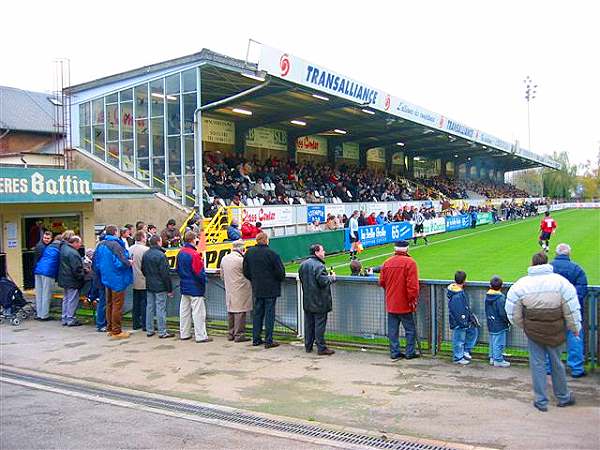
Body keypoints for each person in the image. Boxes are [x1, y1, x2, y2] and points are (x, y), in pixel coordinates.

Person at [505, 252, 581, 412]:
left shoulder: (522, 284)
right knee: (556, 363)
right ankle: (563, 396)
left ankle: (541, 400)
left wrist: (523, 326)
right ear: (546, 262)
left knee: (537, 364)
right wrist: (575, 328)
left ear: (532, 263)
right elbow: (571, 308)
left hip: (534, 331)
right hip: (555, 330)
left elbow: (512, 311)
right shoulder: (561, 282)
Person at [550, 243, 589, 378]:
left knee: (551, 339)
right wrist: (570, 303)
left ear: (556, 253)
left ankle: (550, 367)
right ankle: (576, 369)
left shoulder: (549, 268)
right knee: (575, 338)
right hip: (571, 310)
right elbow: (582, 290)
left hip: (553, 309)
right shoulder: (576, 269)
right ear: (569, 254)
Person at [243, 232, 286, 349]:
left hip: (257, 287)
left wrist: (254, 280)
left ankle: (256, 338)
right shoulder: (272, 254)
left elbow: (245, 271)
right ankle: (268, 340)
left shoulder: (249, 253)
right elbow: (281, 272)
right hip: (271, 289)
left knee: (257, 314)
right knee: (269, 314)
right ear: (266, 240)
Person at [379, 241, 420, 360]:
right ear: (407, 249)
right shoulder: (410, 263)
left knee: (393, 330)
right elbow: (413, 286)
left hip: (391, 302)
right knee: (410, 329)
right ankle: (409, 352)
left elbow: (381, 282)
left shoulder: (387, 263)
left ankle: (394, 352)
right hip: (405, 303)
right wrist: (412, 300)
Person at [94, 224, 133, 339]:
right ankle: (116, 330)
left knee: (109, 303)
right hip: (117, 278)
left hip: (106, 278)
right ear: (115, 232)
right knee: (117, 305)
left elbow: (96, 263)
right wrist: (129, 262)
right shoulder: (116, 245)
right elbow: (121, 262)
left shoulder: (100, 244)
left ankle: (110, 328)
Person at [299, 244, 336, 356]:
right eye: (322, 250)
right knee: (319, 325)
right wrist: (332, 277)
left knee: (309, 324)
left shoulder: (303, 265)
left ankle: (308, 346)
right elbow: (323, 281)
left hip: (308, 299)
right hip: (319, 301)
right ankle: (321, 347)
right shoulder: (319, 266)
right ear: (316, 252)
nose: (324, 252)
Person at [176, 231, 211, 343]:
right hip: (195, 287)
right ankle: (201, 335)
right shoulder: (194, 254)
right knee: (198, 312)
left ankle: (184, 333)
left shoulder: (180, 253)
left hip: (184, 285)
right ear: (192, 240)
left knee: (184, 311)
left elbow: (177, 269)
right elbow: (199, 272)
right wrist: (204, 280)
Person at [141, 235, 174, 338]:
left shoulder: (146, 254)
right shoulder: (161, 255)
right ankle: (162, 331)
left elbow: (143, 270)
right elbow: (165, 274)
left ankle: (149, 329)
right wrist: (169, 289)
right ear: (159, 242)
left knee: (150, 307)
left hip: (149, 284)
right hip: (160, 286)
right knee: (160, 308)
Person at [220, 240, 252, 342]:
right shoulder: (240, 260)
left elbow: (222, 275)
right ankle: (239, 334)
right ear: (242, 249)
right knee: (240, 312)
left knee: (231, 312)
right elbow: (248, 273)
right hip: (241, 289)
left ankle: (231, 333)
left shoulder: (224, 259)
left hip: (229, 288)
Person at [447, 270, 478, 365]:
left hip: (463, 320)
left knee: (473, 331)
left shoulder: (457, 292)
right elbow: (458, 311)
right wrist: (464, 322)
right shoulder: (457, 295)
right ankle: (458, 358)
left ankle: (465, 351)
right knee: (459, 340)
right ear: (464, 281)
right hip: (460, 322)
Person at [57, 236, 85, 327]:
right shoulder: (73, 253)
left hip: (64, 278)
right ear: (75, 242)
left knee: (66, 298)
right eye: (79, 243)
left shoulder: (64, 249)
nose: (80, 245)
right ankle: (70, 318)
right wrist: (82, 275)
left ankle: (64, 318)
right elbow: (77, 268)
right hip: (72, 279)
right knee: (72, 299)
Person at [33, 235, 62, 320]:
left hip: (38, 270)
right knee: (46, 294)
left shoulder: (48, 246)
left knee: (39, 294)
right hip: (48, 272)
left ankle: (39, 314)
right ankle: (45, 315)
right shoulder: (60, 248)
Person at [485, 276, 510, 367]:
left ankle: (492, 357)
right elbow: (502, 313)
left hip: (490, 321)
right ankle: (498, 360)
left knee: (493, 340)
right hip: (499, 323)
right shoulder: (500, 298)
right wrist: (507, 321)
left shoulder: (488, 295)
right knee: (498, 341)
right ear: (501, 286)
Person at [129, 230, 149, 331]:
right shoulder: (145, 250)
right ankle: (145, 324)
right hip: (143, 279)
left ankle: (136, 323)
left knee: (136, 303)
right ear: (142, 238)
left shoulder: (129, 249)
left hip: (133, 279)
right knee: (144, 303)